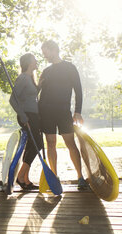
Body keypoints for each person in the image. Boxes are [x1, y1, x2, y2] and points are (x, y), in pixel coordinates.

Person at [38, 40, 88, 189]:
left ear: (54, 50)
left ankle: (80, 177)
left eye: (46, 52)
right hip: (46, 112)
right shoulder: (46, 71)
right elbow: (37, 93)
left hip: (63, 112)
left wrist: (78, 111)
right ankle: (54, 177)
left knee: (70, 143)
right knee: (51, 144)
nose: (45, 56)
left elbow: (78, 90)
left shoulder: (69, 68)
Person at [9, 53, 43, 190]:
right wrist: (23, 117)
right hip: (26, 116)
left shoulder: (30, 78)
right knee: (37, 144)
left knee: (31, 146)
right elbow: (13, 99)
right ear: (29, 62)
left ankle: (25, 180)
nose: (37, 61)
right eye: (35, 60)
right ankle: (20, 176)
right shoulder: (22, 78)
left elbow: (31, 95)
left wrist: (40, 86)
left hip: (33, 116)